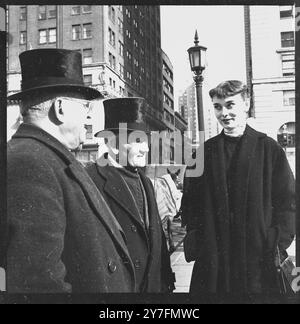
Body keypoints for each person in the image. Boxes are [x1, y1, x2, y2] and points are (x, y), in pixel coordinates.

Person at [6, 49, 136, 293]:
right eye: (85, 105)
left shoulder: (46, 157)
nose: (89, 114)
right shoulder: (29, 163)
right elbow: (39, 283)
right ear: (61, 108)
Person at [183, 80, 295, 294]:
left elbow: (289, 203)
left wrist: (275, 243)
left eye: (230, 105)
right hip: (215, 263)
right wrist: (201, 242)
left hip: (259, 260)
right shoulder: (204, 154)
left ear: (246, 104)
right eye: (217, 107)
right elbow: (190, 205)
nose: (224, 113)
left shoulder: (269, 149)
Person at [86, 97, 175, 292]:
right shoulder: (90, 180)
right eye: (137, 141)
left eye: (146, 141)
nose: (146, 148)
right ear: (113, 144)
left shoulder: (146, 182)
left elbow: (158, 240)